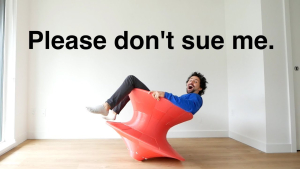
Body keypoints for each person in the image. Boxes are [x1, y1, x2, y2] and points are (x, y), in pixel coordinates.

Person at [86, 72, 208, 120]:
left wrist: (165, 94)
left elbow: (189, 108)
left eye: (195, 81)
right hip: (159, 109)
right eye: (190, 80)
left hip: (158, 110)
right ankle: (113, 113)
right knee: (132, 87)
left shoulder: (197, 98)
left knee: (131, 80)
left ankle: (106, 106)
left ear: (200, 88)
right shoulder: (185, 97)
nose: (191, 82)